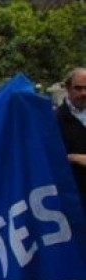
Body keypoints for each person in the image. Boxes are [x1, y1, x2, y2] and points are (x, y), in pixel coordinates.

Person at [56, 67, 86, 214]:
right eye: (78, 88)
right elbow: (51, 155)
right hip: (75, 198)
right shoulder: (55, 120)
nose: (83, 93)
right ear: (68, 89)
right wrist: (74, 158)